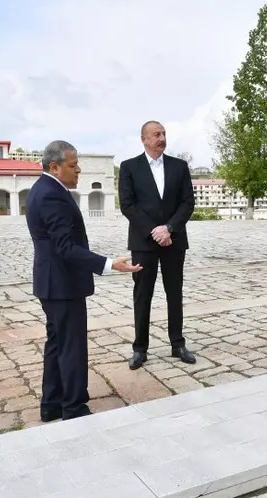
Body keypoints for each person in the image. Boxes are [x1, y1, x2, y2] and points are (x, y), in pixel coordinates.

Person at [25, 140, 141, 422]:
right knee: (71, 347)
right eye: (73, 165)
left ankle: (52, 404)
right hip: (62, 285)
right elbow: (65, 247)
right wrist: (109, 264)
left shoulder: (42, 189)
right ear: (55, 167)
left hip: (51, 283)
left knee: (57, 343)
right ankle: (74, 408)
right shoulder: (52, 195)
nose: (79, 170)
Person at [118, 120, 196, 370]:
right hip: (144, 241)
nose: (161, 138)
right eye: (156, 134)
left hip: (174, 240)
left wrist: (169, 228)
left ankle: (178, 344)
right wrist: (154, 231)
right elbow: (127, 205)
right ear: (144, 139)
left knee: (175, 293)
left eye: (163, 134)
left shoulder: (179, 166)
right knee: (143, 295)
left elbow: (187, 202)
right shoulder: (129, 167)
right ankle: (140, 348)